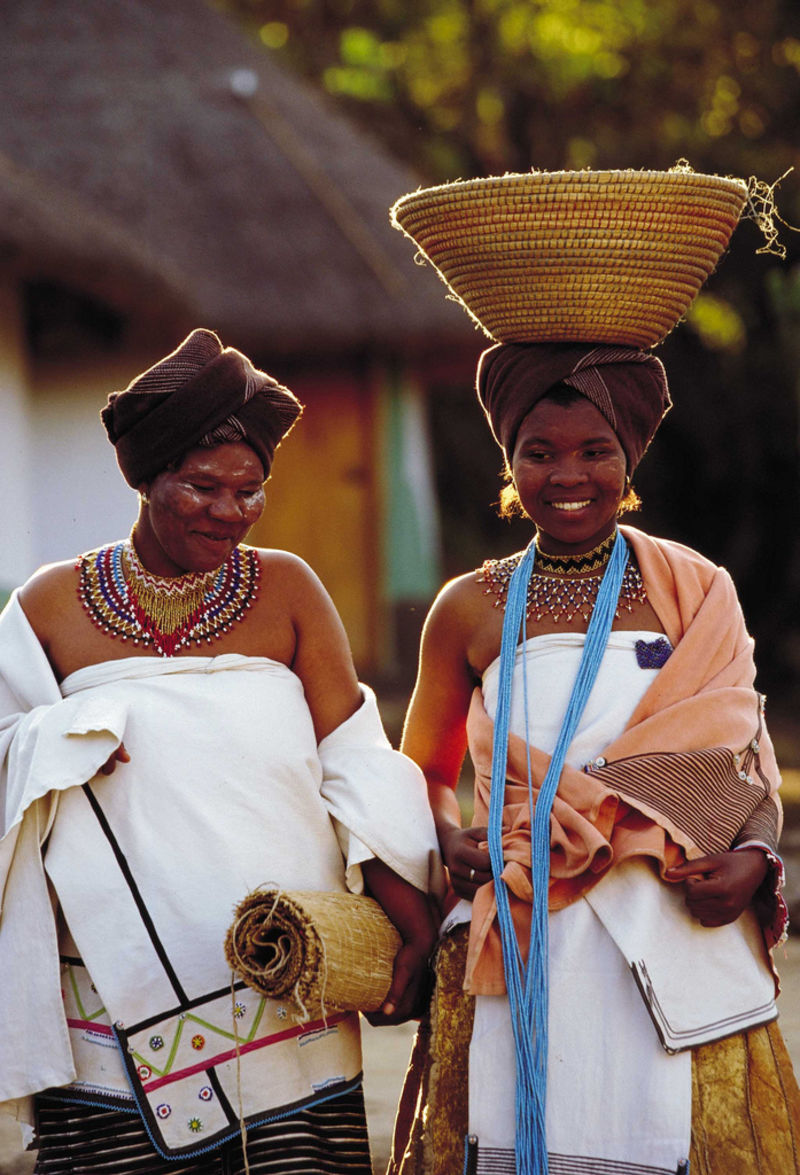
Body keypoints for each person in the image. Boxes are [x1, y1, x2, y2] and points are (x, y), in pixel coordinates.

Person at [0, 328, 441, 1175]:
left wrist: (407, 907)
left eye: (251, 492)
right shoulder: (47, 606)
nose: (230, 511)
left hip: (284, 966)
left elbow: (353, 755)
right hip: (107, 982)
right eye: (203, 487)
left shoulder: (289, 589)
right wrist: (56, 742)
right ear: (145, 479)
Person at [389, 339, 800, 1175]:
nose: (567, 474)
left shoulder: (694, 588)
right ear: (509, 459)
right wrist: (445, 838)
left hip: (671, 926)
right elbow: (420, 776)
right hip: (520, 924)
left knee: (672, 1134)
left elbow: (741, 761)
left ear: (631, 456)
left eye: (595, 451)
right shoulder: (468, 606)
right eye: (538, 453)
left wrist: (756, 856)